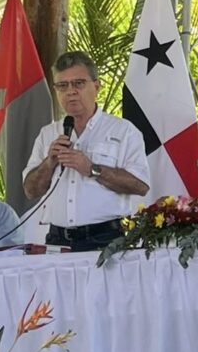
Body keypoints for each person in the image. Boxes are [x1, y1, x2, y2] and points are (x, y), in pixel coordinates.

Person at [23, 51, 150, 251]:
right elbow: (30, 191)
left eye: (78, 83)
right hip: (58, 239)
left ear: (97, 86)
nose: (70, 91)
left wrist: (92, 169)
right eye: (62, 86)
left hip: (106, 238)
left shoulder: (124, 131)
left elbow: (140, 185)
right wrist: (49, 163)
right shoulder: (47, 134)